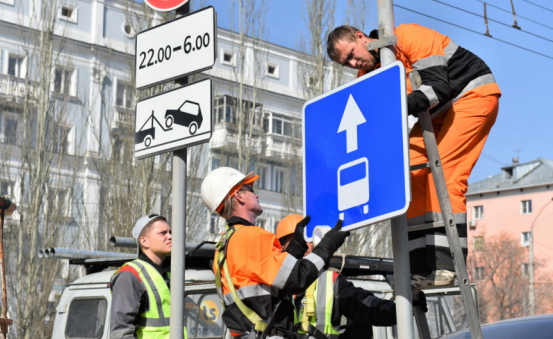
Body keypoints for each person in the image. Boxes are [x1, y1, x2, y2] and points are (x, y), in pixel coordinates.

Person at [326, 24, 501, 289]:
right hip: (436, 114)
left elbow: (437, 86)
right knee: (407, 173)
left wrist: (397, 106)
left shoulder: (405, 36)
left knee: (446, 175)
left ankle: (447, 264)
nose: (353, 62)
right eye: (346, 62)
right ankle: (422, 265)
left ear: (361, 37)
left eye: (351, 53)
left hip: (471, 94)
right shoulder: (366, 76)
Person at [201, 167, 350, 339]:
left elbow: (272, 284)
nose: (256, 195)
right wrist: (328, 244)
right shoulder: (253, 236)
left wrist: (295, 248)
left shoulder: (224, 246)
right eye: (250, 189)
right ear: (238, 196)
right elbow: (298, 278)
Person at [276, 215, 409, 339]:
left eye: (307, 239)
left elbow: (367, 307)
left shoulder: (329, 282)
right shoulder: (270, 281)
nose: (304, 246)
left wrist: (405, 307)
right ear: (281, 247)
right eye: (296, 241)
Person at [109, 214, 182, 339]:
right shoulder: (130, 275)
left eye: (170, 232)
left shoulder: (169, 275)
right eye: (163, 233)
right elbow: (121, 333)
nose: (170, 236)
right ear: (144, 241)